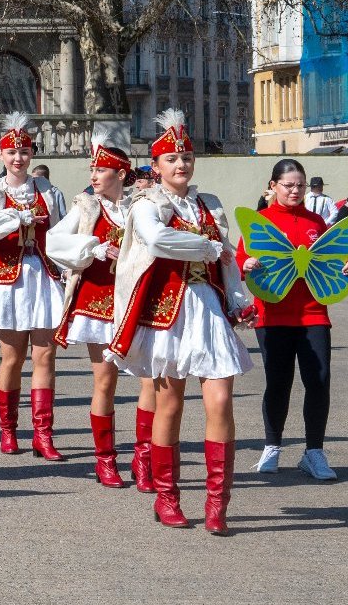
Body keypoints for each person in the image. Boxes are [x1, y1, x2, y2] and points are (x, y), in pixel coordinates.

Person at [108, 109, 254, 535]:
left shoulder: (209, 204)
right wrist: (206, 247)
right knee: (168, 405)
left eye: (187, 156)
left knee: (221, 401)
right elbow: (157, 241)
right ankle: (167, 496)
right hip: (168, 312)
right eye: (172, 159)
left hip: (207, 309)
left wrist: (239, 297)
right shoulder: (146, 205)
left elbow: (226, 257)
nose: (181, 164)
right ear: (155, 167)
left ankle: (217, 502)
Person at [47, 124, 149, 490]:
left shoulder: (144, 205)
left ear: (121, 173)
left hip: (137, 303)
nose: (93, 175)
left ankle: (144, 455)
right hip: (99, 301)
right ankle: (105, 460)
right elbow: (54, 241)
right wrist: (92, 248)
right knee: (104, 381)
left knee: (149, 381)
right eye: (92, 169)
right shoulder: (86, 206)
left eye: (101, 169)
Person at [241, 159, 348, 480]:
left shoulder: (316, 221)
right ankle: (272, 447)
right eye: (288, 185)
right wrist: (245, 263)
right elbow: (238, 258)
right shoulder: (260, 221)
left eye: (300, 185)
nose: (295, 190)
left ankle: (314, 451)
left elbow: (334, 259)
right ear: (273, 186)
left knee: (318, 381)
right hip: (272, 313)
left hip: (313, 312)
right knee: (278, 383)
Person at [0, 113, 68, 458]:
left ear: (32, 154)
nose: (18, 158)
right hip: (6, 276)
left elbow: (61, 234)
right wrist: (15, 217)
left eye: (24, 151)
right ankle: (8, 430)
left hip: (42, 274)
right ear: (0, 155)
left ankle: (43, 434)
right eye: (12, 152)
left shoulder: (49, 192)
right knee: (12, 357)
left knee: (46, 355)